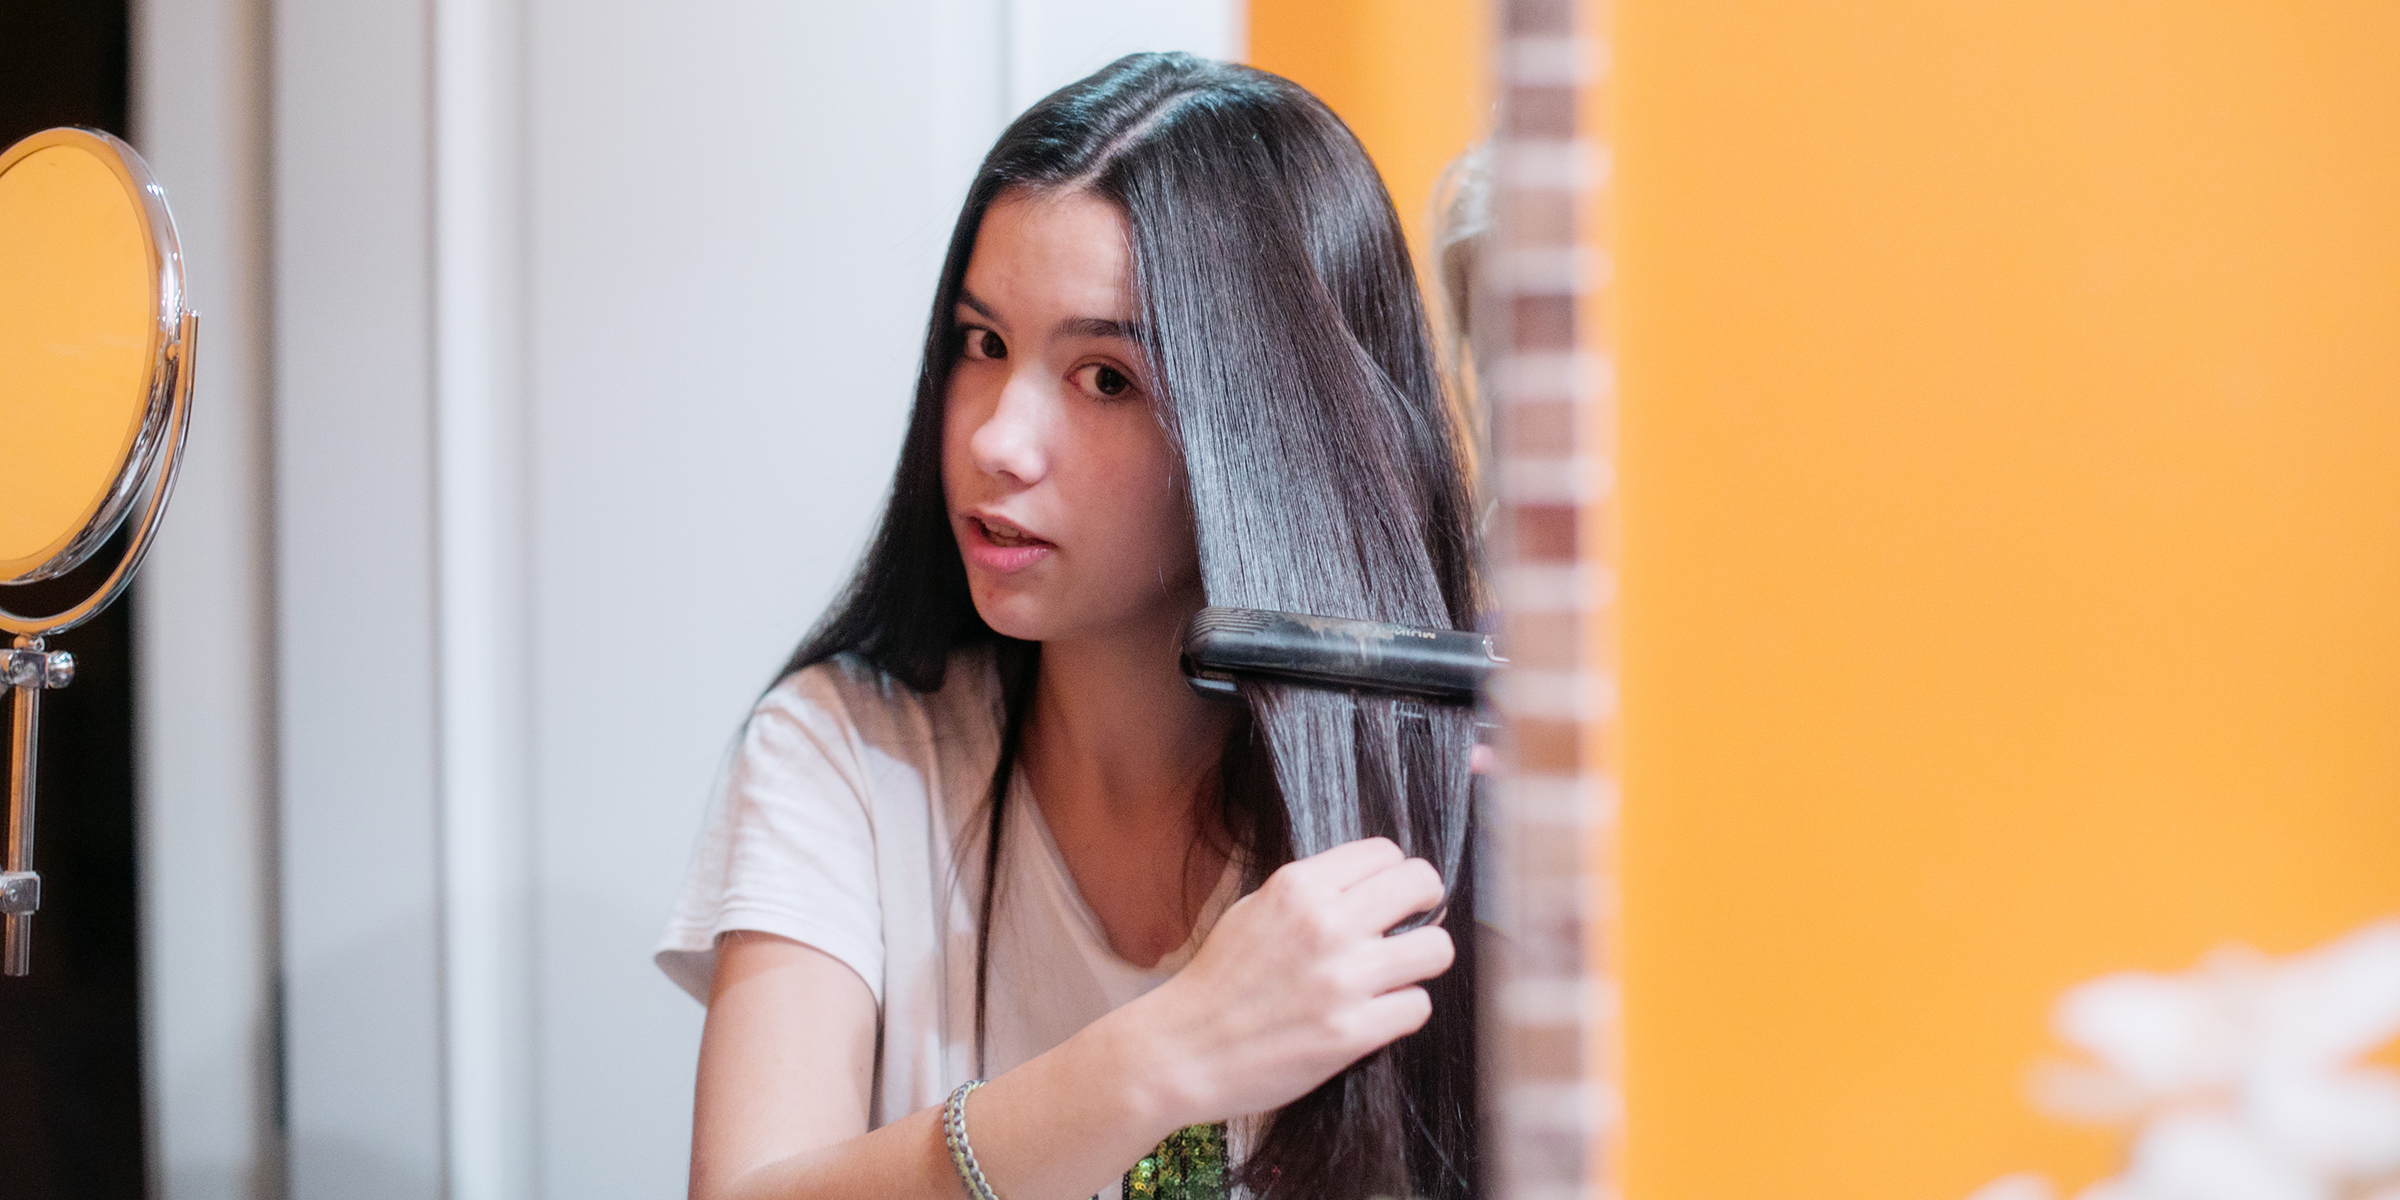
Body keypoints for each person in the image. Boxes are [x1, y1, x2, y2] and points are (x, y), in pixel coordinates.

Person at [657, 52, 1485, 1200]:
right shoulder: (850, 754)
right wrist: (1163, 1055)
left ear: (1271, 433)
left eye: (1104, 378)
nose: (1000, 439)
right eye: (982, 344)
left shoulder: (1434, 791)